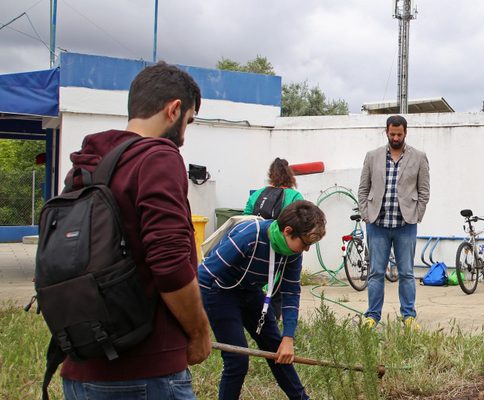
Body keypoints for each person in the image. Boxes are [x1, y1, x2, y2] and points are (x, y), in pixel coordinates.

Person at [60, 62, 211, 399]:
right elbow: (170, 265)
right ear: (174, 109)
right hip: (145, 373)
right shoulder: (158, 157)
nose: (183, 137)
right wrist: (199, 331)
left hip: (80, 370)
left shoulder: (86, 166)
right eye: (187, 121)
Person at [198, 200, 326, 400]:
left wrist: (288, 338)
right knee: (237, 359)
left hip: (251, 293)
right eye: (306, 243)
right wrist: (197, 327)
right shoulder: (249, 236)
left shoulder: (292, 252)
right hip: (221, 292)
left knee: (279, 351)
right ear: (287, 231)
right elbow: (203, 277)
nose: (306, 250)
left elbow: (291, 291)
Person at [357, 115, 430, 329]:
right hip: (377, 224)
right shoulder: (372, 156)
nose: (395, 137)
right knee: (376, 272)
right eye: (392, 134)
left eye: (399, 134)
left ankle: (408, 316)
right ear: (386, 132)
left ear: (405, 133)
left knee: (406, 273)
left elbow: (424, 191)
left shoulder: (419, 157)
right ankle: (372, 316)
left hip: (405, 225)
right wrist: (365, 213)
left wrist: (417, 215)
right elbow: (363, 188)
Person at [243, 157, 305, 321]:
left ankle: (256, 321)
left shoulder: (257, 194)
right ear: (290, 176)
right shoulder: (294, 196)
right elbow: (302, 222)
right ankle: (273, 322)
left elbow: (245, 220)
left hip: (256, 252)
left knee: (255, 291)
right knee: (279, 293)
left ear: (271, 175)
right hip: (282, 254)